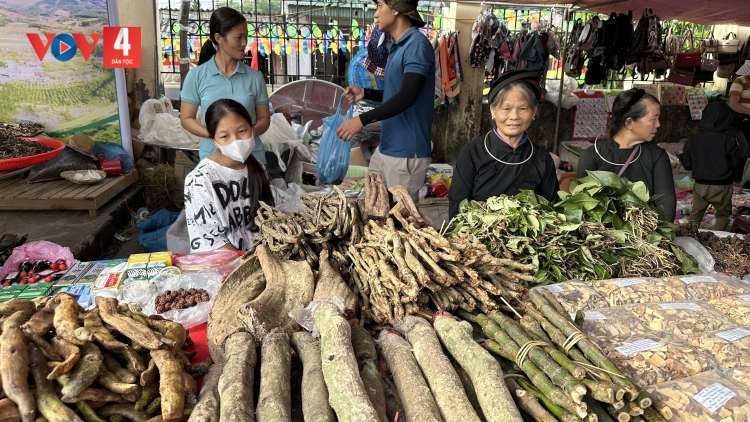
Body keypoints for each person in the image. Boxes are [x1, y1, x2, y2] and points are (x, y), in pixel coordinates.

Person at [337, 0, 435, 204]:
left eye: (380, 6)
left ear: (397, 9)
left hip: (406, 153)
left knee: (401, 225)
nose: (375, 14)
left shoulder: (416, 44)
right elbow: (396, 93)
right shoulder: (397, 46)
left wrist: (362, 120)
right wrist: (366, 93)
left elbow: (408, 96)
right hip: (386, 149)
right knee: (374, 209)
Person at [448, 71, 559, 219]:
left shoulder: (542, 158)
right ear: (493, 111)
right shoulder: (472, 153)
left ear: (534, 112)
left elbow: (552, 210)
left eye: (523, 109)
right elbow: (458, 207)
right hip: (478, 239)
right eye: (506, 108)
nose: (514, 116)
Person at [180, 7, 270, 163]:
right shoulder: (196, 76)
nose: (244, 43)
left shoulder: (255, 77)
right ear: (219, 38)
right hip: (213, 159)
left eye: (246, 37)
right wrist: (214, 135)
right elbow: (186, 118)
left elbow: (264, 118)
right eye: (238, 37)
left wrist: (248, 134)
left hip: (252, 159)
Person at [184, 98, 274, 253]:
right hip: (223, 264)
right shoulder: (201, 179)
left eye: (241, 131)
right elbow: (213, 242)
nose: (236, 141)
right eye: (225, 136)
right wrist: (248, 262)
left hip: (259, 255)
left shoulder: (257, 167)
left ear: (253, 129)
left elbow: (268, 219)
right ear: (214, 141)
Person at [577, 88, 676, 221]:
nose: (658, 124)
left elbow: (666, 200)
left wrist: (657, 232)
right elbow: (587, 204)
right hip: (604, 237)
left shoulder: (657, 156)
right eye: (653, 119)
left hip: (645, 234)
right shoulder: (592, 155)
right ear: (629, 122)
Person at [680, 102, 746, 231]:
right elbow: (737, 163)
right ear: (727, 119)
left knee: (695, 217)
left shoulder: (692, 141)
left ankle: (689, 239)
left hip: (700, 186)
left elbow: (687, 165)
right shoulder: (729, 140)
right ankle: (714, 239)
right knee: (723, 216)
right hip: (722, 187)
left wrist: (682, 157)